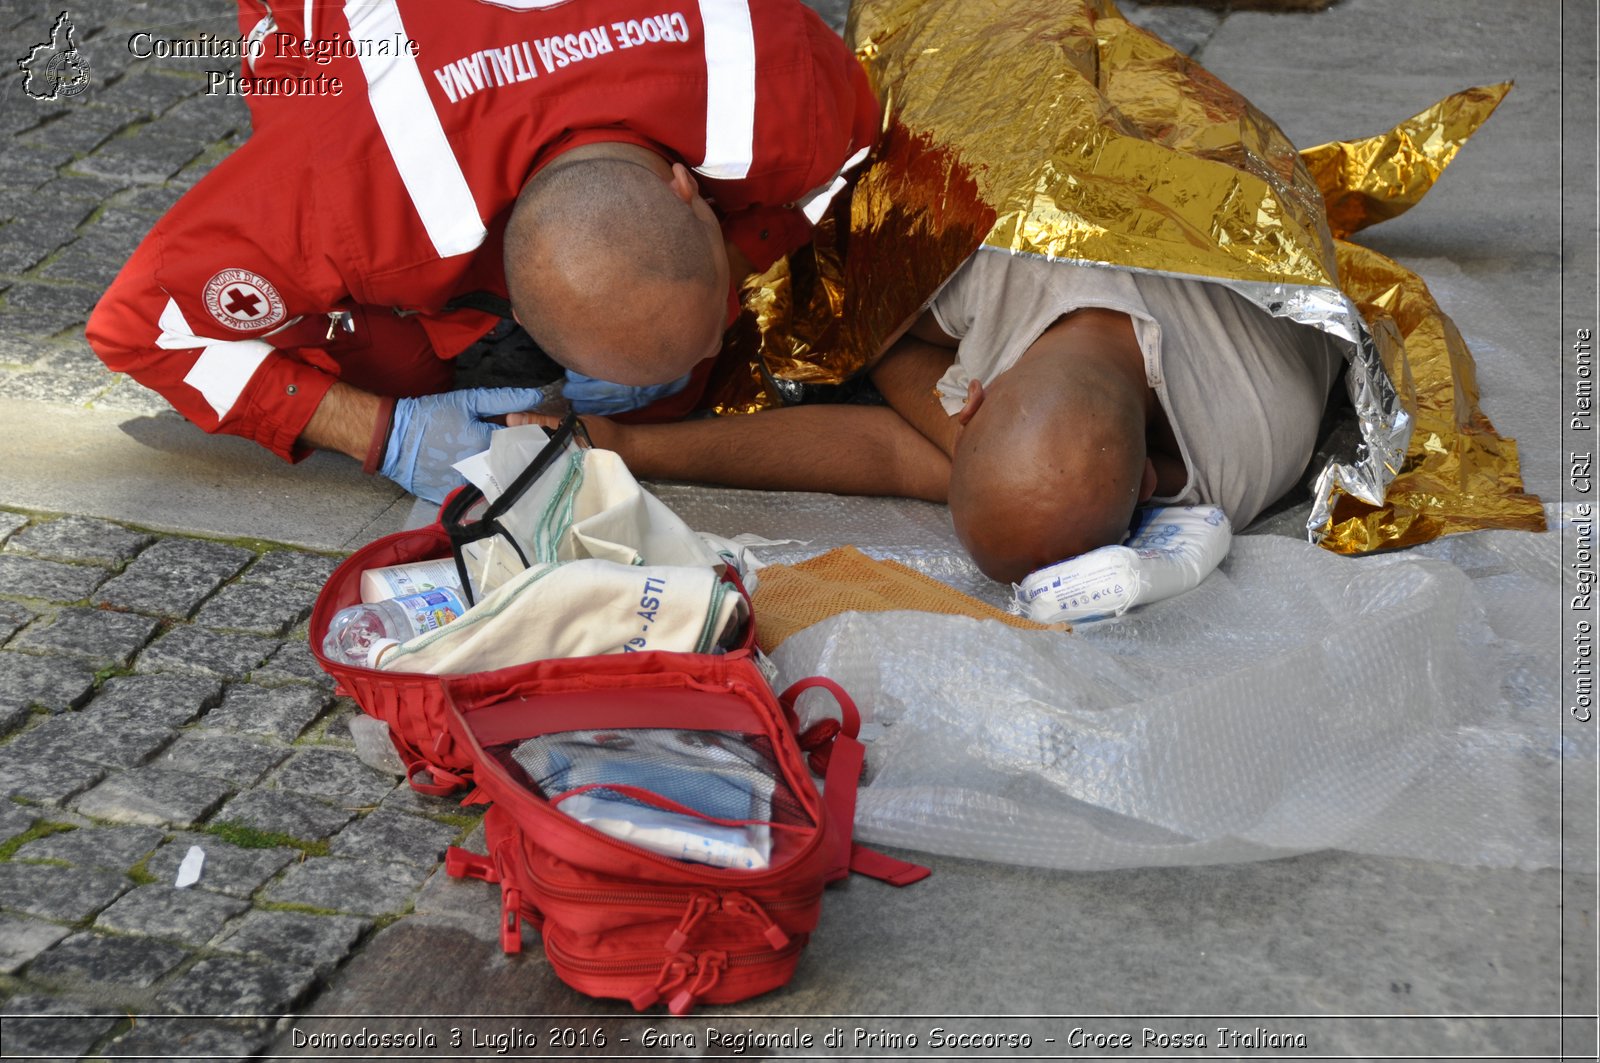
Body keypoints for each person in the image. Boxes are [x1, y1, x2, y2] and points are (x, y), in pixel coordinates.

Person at [86, 0, 878, 502]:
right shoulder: (351, 186)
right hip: (354, 79)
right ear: (503, 274)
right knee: (393, 362)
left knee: (688, 372)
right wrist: (380, 431)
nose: (723, 326)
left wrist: (736, 263)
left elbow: (840, 171)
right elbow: (138, 326)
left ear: (686, 188)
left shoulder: (778, 78)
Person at [526, 249, 1344, 583]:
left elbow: (889, 456)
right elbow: (903, 442)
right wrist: (627, 444)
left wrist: (637, 444)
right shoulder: (992, 258)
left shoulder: (1231, 466)